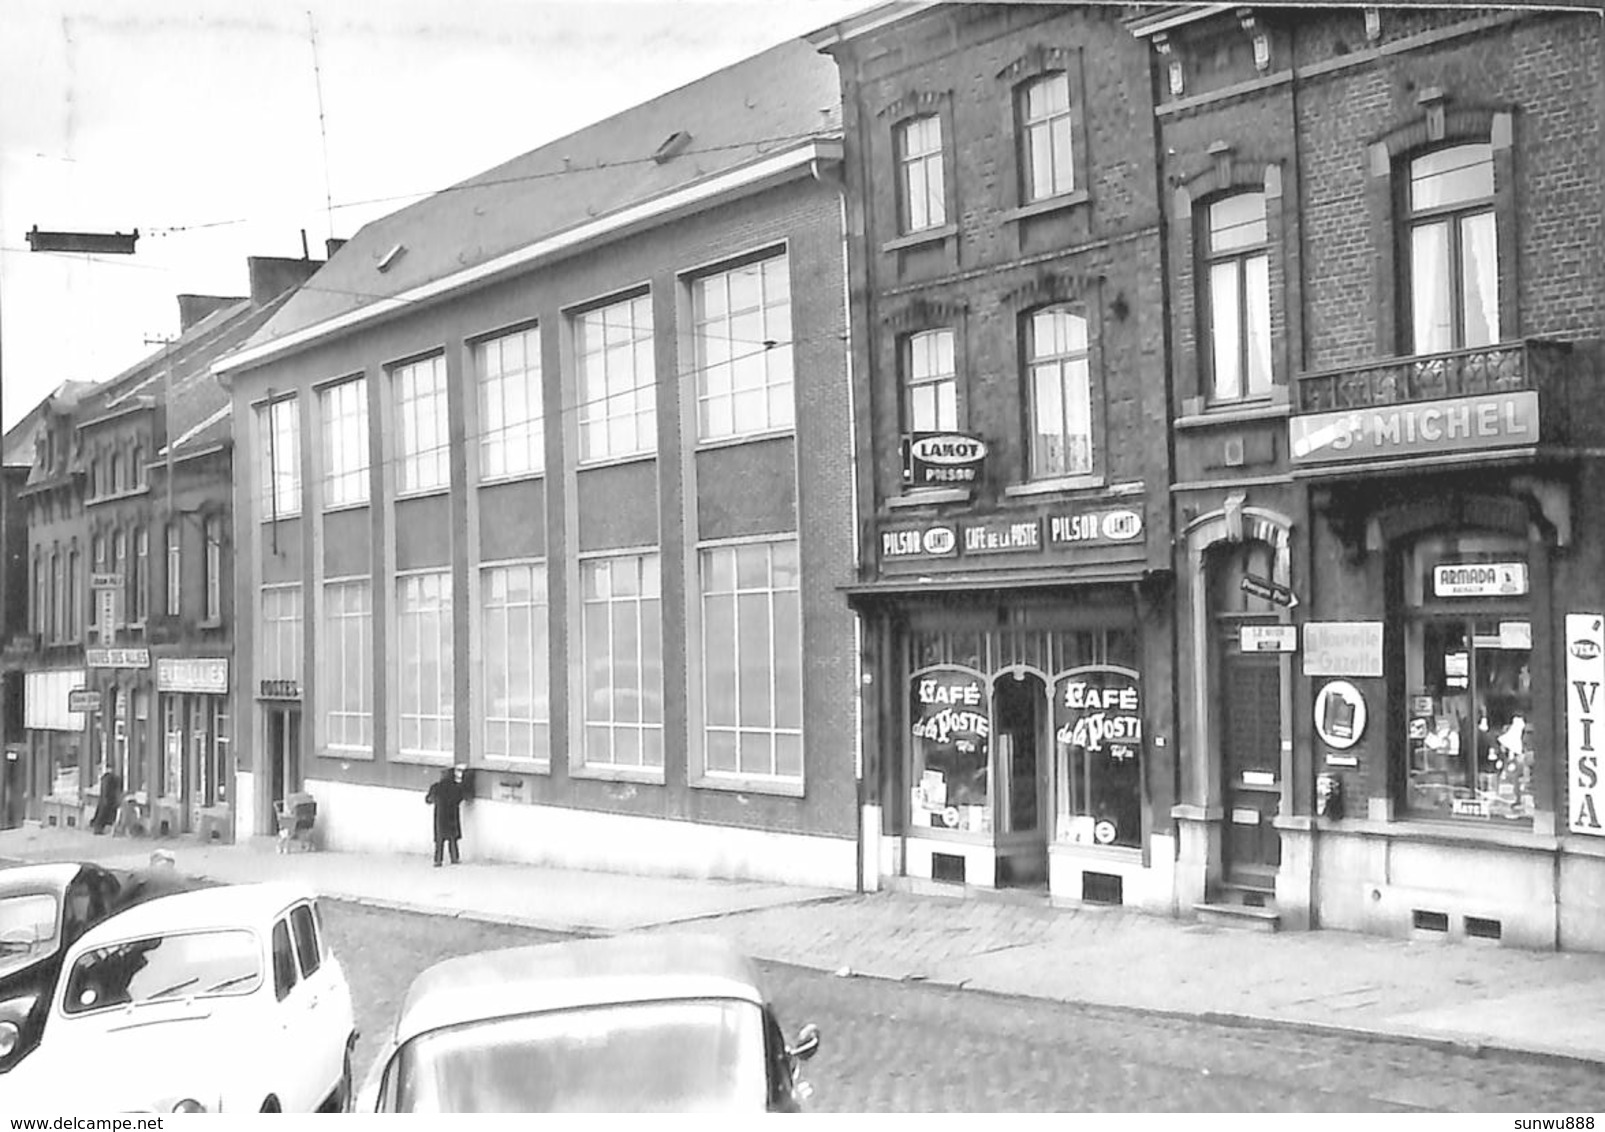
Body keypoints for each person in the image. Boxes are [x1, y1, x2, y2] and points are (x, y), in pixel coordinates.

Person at [426, 767, 464, 867]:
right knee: (452, 839)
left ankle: (438, 860)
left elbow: (428, 800)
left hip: (440, 815)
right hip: (452, 815)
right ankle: (454, 858)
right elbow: (460, 798)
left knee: (439, 839)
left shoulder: (436, 787)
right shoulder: (456, 787)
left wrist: (435, 800)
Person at [90, 769, 122, 835]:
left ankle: (98, 827)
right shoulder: (112, 780)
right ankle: (99, 828)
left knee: (102, 811)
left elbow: (105, 792)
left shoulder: (107, 780)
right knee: (104, 812)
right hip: (108, 800)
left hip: (106, 799)